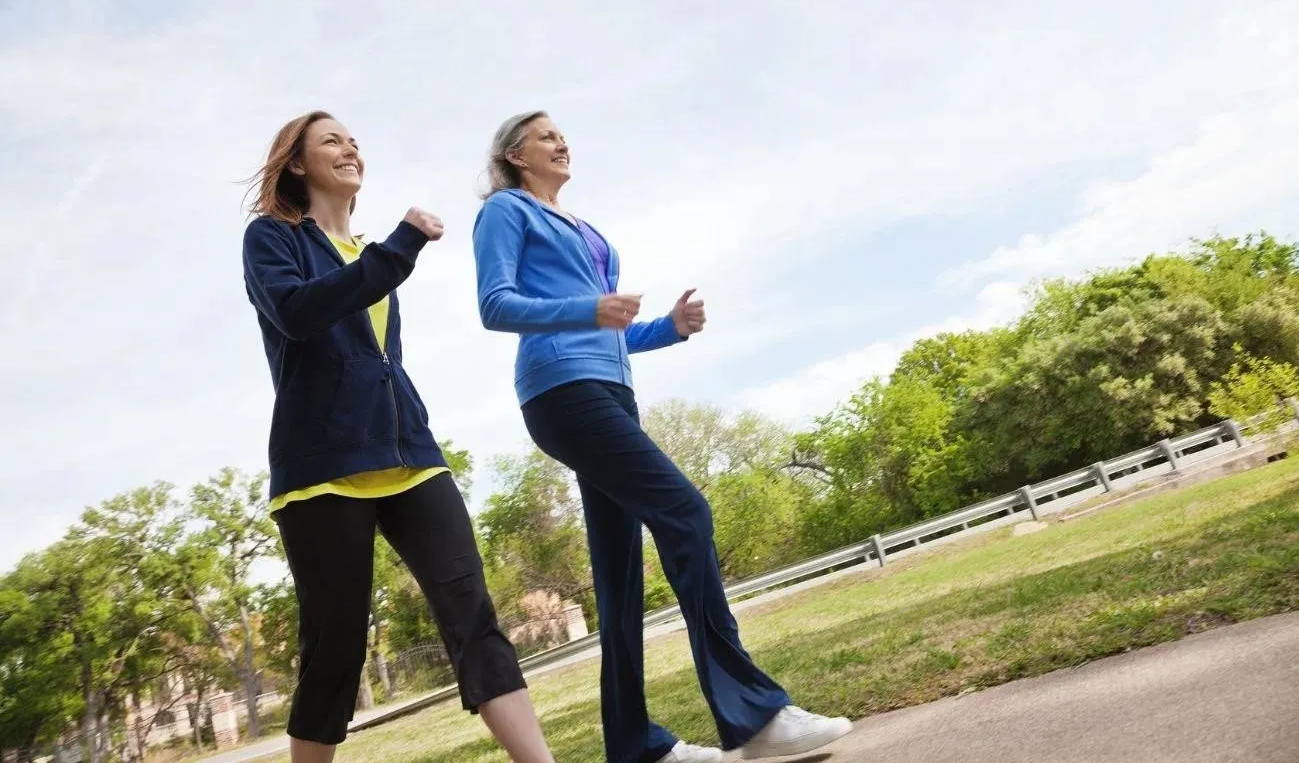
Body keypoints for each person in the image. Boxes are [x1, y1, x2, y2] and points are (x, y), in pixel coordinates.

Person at [470, 110, 854, 763]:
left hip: (609, 390)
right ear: (513, 153)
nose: (562, 142)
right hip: (561, 391)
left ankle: (635, 745)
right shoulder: (506, 211)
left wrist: (666, 328)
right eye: (546, 136)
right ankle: (755, 714)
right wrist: (588, 308)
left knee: (618, 575)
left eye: (564, 133)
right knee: (685, 511)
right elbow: (495, 305)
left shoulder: (582, 228)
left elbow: (608, 327)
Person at [241, 111, 556, 763]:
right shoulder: (272, 239)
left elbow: (383, 356)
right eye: (332, 140)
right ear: (297, 164)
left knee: (476, 618)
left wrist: (385, 255)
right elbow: (300, 314)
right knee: (336, 648)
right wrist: (398, 248)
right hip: (322, 468)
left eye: (354, 140)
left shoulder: (367, 256)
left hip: (410, 454)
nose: (350, 147)